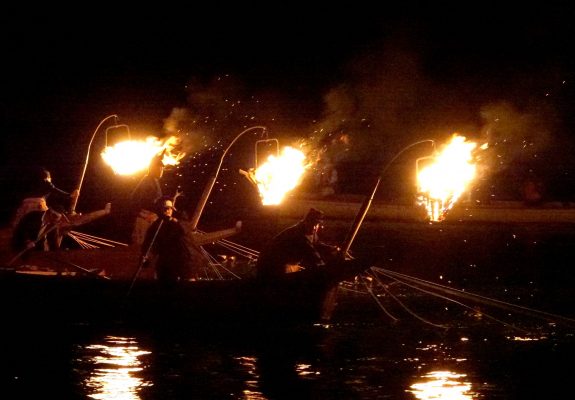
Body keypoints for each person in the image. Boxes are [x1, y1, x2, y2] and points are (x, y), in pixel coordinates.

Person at [255, 208, 340, 281]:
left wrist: (332, 249)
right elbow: (311, 253)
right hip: (272, 265)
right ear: (306, 222)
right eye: (312, 224)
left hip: (287, 264)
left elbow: (316, 244)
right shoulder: (298, 234)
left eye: (316, 225)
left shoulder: (310, 233)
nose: (314, 227)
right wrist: (324, 270)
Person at [140, 195, 193, 283]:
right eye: (164, 208)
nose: (168, 210)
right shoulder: (155, 227)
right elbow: (147, 245)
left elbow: (186, 232)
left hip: (183, 262)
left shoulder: (179, 222)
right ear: (159, 209)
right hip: (166, 264)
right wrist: (145, 258)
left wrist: (176, 222)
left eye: (170, 208)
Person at [12, 167, 79, 228]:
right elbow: (54, 189)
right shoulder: (46, 182)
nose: (51, 179)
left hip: (26, 205)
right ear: (47, 177)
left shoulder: (33, 184)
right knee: (50, 218)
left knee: (22, 224)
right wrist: (70, 195)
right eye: (50, 178)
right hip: (37, 204)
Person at [11, 197, 65, 262]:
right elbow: (22, 230)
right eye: (55, 217)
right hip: (21, 246)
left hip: (36, 250)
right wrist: (27, 241)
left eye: (58, 218)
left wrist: (59, 255)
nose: (56, 220)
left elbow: (53, 242)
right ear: (50, 213)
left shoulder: (52, 225)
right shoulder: (33, 216)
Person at [130, 153, 165, 245]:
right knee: (139, 245)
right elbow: (135, 199)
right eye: (160, 168)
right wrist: (143, 215)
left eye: (163, 168)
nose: (162, 170)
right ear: (154, 168)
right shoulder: (147, 181)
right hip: (145, 219)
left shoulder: (155, 181)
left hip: (152, 218)